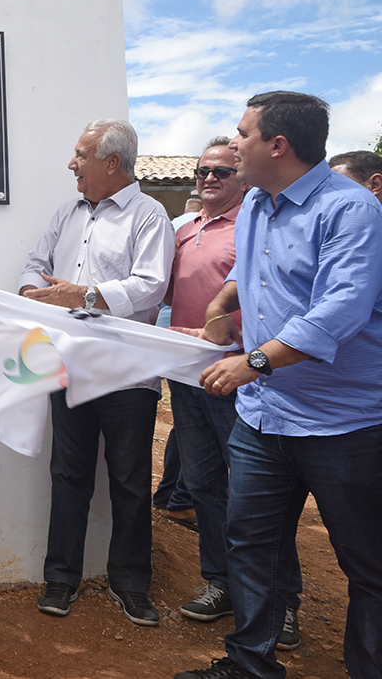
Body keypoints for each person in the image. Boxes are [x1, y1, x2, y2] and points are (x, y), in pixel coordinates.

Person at [174, 92, 382, 679]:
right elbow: (251, 271)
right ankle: (251, 665)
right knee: (250, 544)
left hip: (344, 423)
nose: (233, 144)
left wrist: (254, 362)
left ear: (277, 145)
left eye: (242, 134)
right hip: (266, 417)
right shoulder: (259, 206)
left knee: (366, 563)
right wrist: (219, 309)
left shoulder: (351, 211)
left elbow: (340, 309)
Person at [18, 119, 174, 627]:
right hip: (68, 365)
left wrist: (82, 296)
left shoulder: (150, 216)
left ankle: (130, 583)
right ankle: (61, 578)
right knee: (68, 476)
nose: (72, 165)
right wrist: (30, 295)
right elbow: (34, 263)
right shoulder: (67, 213)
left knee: (129, 481)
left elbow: (151, 286)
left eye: (80, 155)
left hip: (128, 373)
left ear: (112, 162)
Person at [163, 137, 303, 645]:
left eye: (221, 171)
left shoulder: (257, 223)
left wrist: (237, 339)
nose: (208, 179)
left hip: (244, 378)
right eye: (202, 171)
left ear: (242, 176)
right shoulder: (185, 229)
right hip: (190, 373)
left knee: (257, 497)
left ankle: (282, 603)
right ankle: (221, 585)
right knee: (203, 484)